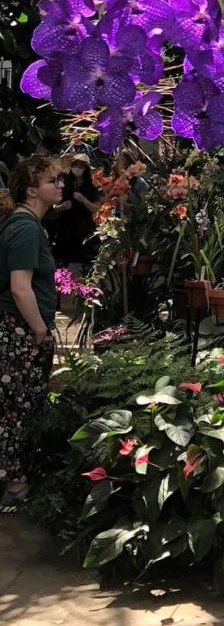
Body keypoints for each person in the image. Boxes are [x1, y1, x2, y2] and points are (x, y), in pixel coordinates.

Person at [0, 156, 61, 503]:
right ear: (32, 189)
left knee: (16, 404)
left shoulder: (25, 223)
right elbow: (20, 287)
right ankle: (14, 487)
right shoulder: (24, 227)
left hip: (18, 330)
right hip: (20, 332)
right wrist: (39, 330)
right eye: (53, 180)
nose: (61, 185)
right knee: (18, 408)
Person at [54, 153, 102, 268]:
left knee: (86, 262)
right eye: (75, 165)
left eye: (81, 166)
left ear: (85, 169)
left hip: (84, 228)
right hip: (66, 228)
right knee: (63, 263)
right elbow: (54, 207)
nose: (77, 168)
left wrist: (83, 200)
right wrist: (62, 207)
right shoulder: (63, 184)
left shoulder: (92, 186)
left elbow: (95, 209)